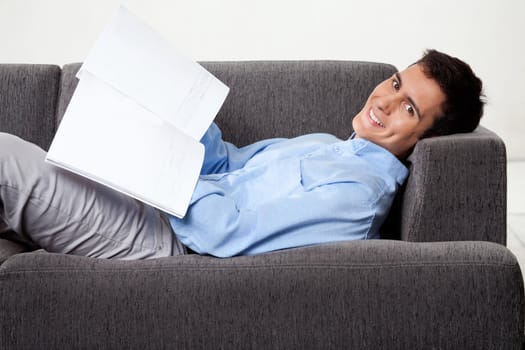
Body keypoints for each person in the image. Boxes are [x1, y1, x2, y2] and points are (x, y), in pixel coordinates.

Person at [0, 49, 484, 259]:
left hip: (164, 236)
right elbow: (227, 164)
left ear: (421, 140)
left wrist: (162, 167)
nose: (382, 101)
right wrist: (179, 106)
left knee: (3, 160)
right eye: (395, 83)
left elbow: (230, 233)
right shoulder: (324, 145)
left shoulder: (358, 195)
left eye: (408, 109)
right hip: (153, 197)